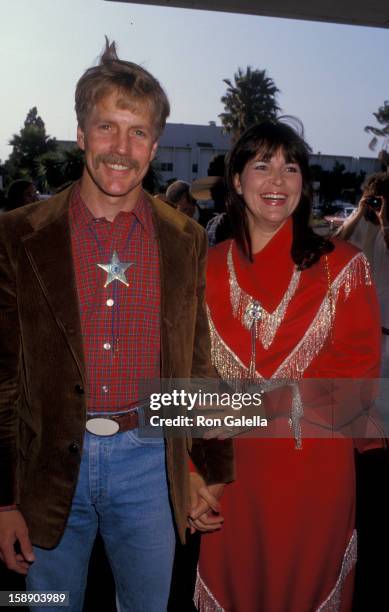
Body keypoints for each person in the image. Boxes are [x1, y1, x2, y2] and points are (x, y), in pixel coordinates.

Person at [0, 39, 233, 612]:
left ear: (155, 145)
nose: (121, 149)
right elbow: (2, 375)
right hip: (47, 468)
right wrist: (3, 500)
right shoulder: (18, 234)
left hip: (150, 466)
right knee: (46, 605)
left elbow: (197, 362)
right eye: (107, 127)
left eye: (138, 133)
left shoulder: (184, 238)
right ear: (81, 134)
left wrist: (212, 465)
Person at [195, 120, 382, 611]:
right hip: (228, 478)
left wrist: (259, 403)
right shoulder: (204, 268)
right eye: (262, 166)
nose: (278, 180)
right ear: (236, 180)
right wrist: (188, 471)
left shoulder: (344, 266)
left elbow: (358, 388)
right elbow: (184, 379)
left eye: (291, 167)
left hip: (312, 474)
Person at [337, 173, 389, 428]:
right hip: (361, 329)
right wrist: (358, 212)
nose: (377, 206)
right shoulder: (360, 223)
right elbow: (334, 243)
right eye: (374, 200)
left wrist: (385, 221)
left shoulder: (385, 228)